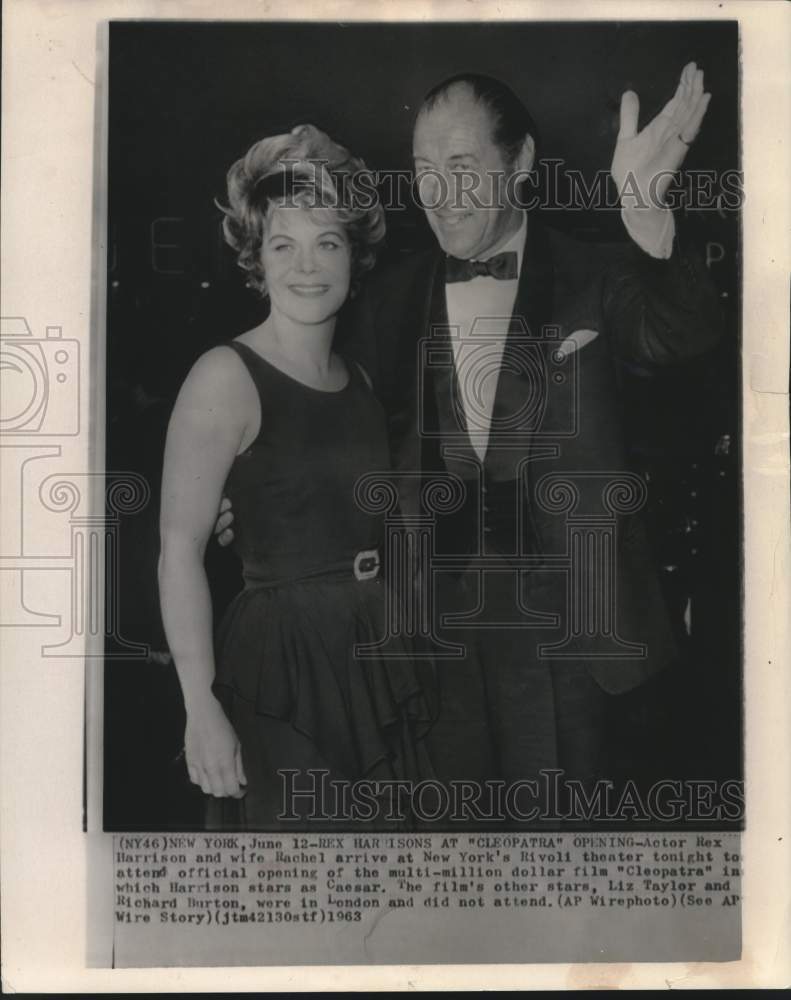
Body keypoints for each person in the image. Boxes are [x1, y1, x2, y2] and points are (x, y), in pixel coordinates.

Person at [216, 64, 722, 813]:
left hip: (572, 636)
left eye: (462, 168)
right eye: (424, 170)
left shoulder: (596, 272)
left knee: (563, 881)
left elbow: (682, 334)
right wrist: (249, 492)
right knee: (449, 874)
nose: (439, 194)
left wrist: (647, 221)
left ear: (518, 165)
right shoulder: (384, 299)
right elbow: (331, 422)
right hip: (428, 639)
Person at [158, 124, 436, 830]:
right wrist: (200, 710)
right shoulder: (224, 375)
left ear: (355, 255)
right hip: (278, 666)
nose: (306, 266)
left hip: (371, 654)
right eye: (283, 244)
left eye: (327, 242)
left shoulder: (362, 380)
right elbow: (178, 552)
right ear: (257, 256)